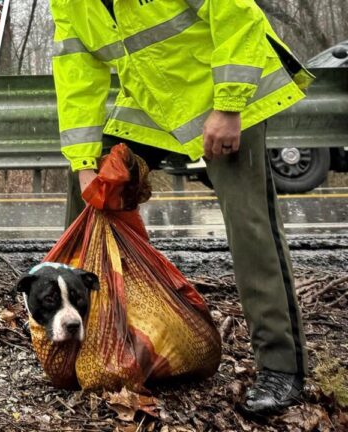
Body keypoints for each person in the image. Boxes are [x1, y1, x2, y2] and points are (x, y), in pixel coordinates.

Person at [50, 0, 314, 416]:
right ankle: (87, 342)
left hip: (228, 85)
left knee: (250, 224)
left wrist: (228, 107)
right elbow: (77, 71)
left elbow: (235, 14)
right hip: (156, 100)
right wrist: (83, 162)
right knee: (93, 191)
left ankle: (282, 368)